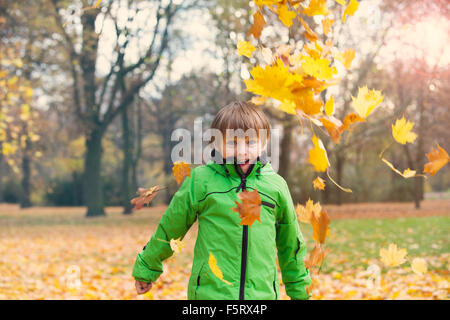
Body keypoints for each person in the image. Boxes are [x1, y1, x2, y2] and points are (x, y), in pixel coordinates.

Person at [132, 101, 311, 300]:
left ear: (264, 142)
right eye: (233, 143)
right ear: (216, 143)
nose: (242, 151)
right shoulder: (200, 181)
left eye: (250, 142)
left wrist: (300, 294)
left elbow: (291, 244)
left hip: (261, 297)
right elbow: (170, 227)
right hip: (211, 295)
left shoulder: (276, 186)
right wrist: (147, 267)